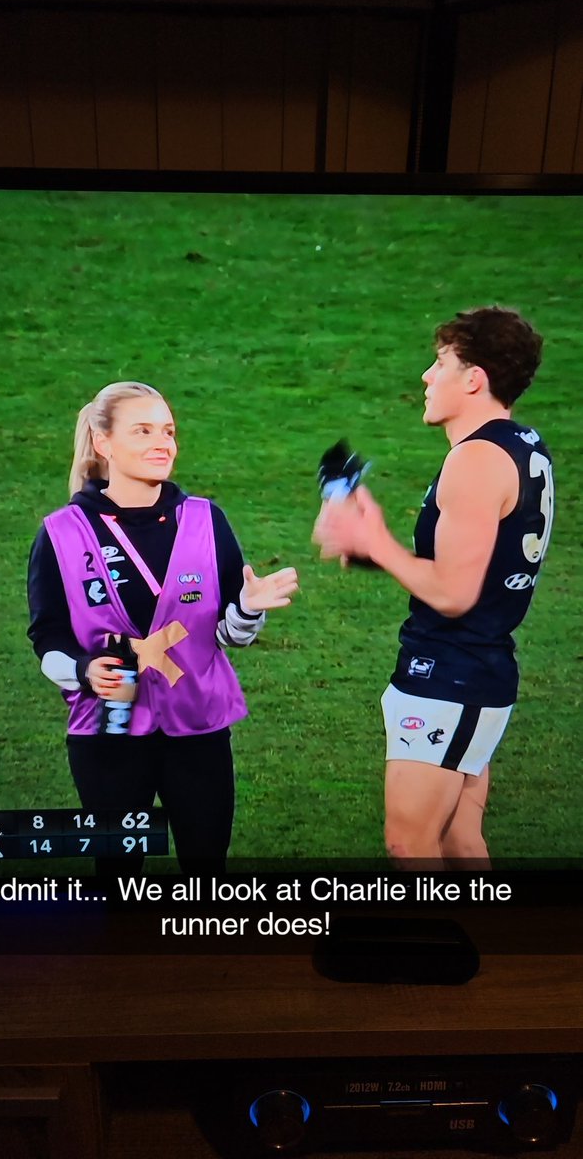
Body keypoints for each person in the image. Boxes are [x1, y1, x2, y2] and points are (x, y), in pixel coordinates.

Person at [313, 307, 553, 868]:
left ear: (474, 379)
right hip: (473, 668)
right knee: (459, 843)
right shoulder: (521, 445)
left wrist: (376, 542)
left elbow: (453, 593)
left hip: (453, 673)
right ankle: (492, 953)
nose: (426, 375)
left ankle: (429, 951)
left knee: (410, 844)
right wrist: (373, 547)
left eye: (440, 362)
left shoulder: (475, 460)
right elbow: (475, 566)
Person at [28, 380, 298, 874]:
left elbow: (225, 635)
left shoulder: (205, 520)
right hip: (110, 732)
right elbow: (47, 637)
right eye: (144, 431)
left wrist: (249, 609)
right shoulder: (60, 532)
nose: (163, 443)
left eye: (168, 431)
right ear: (104, 442)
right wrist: (84, 671)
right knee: (120, 877)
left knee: (206, 870)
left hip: (199, 727)